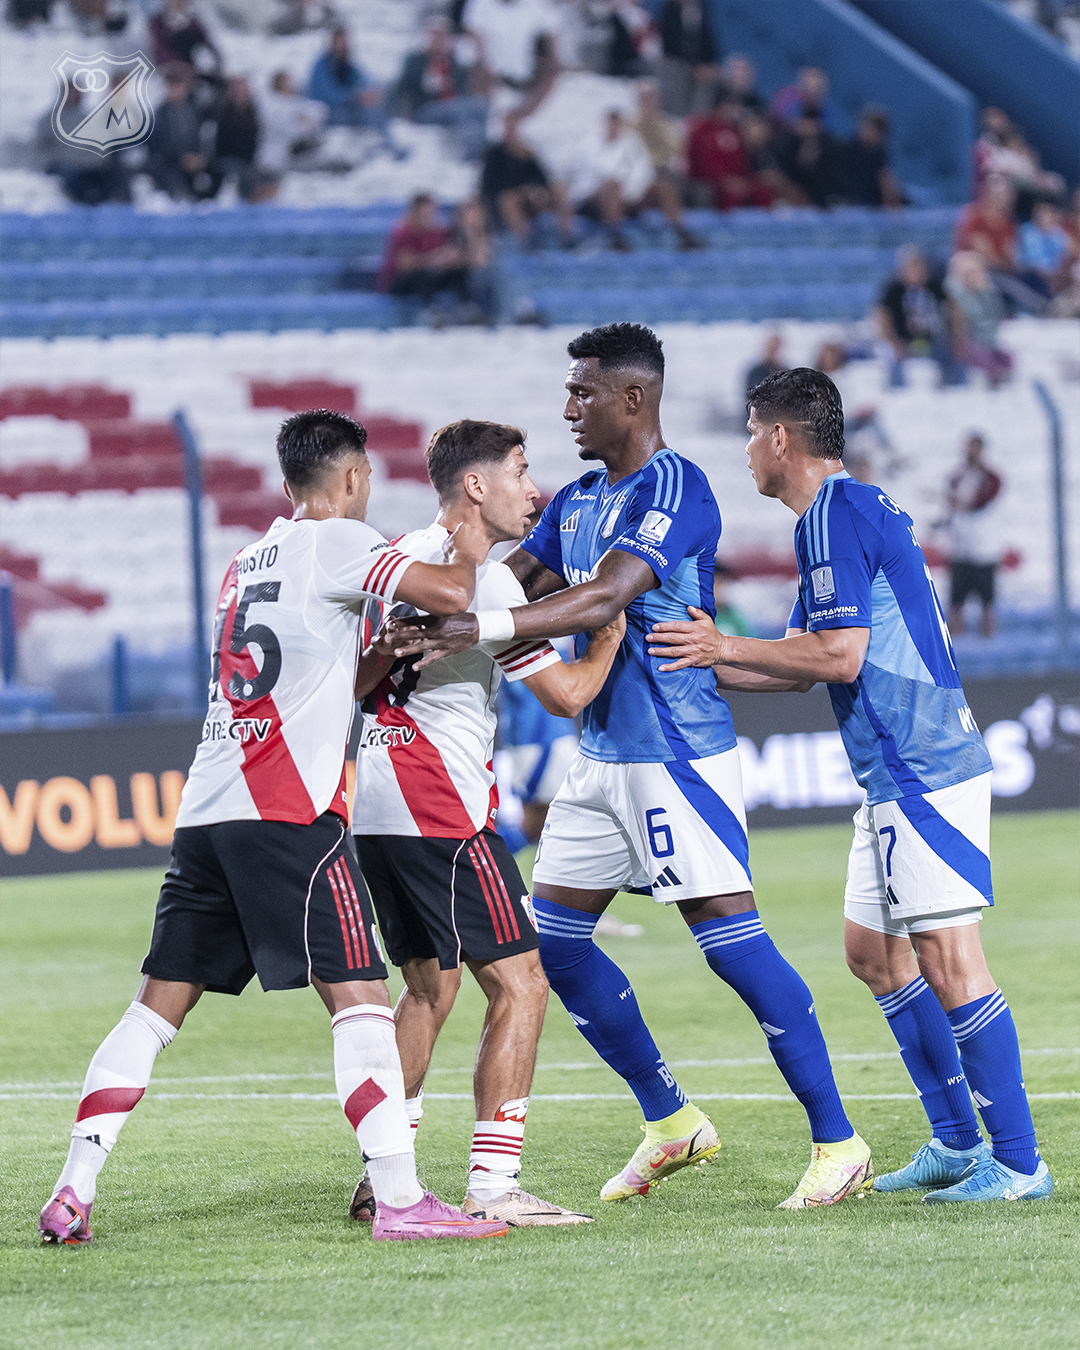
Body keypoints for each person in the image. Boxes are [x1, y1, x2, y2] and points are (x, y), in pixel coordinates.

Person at [381, 323, 872, 1210]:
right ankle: (671, 1120)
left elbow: (604, 595)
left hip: (675, 754)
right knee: (552, 949)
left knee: (733, 948)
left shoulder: (676, 487)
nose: (570, 408)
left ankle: (839, 1142)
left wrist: (477, 626)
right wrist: (426, 574)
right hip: (600, 757)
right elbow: (510, 579)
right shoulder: (576, 499)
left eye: (585, 392)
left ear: (633, 398)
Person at [38, 410, 511, 1245]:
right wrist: (468, 540)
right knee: (363, 1000)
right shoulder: (339, 540)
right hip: (288, 811)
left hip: (208, 809)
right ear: (353, 477)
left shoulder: (246, 560)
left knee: (154, 1009)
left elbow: (329, 679)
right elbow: (451, 594)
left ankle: (73, 1188)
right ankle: (400, 1200)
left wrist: (381, 653)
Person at [646, 367, 1052, 1205]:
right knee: (874, 955)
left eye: (751, 432)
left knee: (952, 962)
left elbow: (839, 657)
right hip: (891, 774)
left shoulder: (835, 515)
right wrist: (694, 665)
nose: (746, 449)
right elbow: (801, 664)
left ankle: (1018, 1164)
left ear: (781, 438)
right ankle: (955, 1142)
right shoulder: (834, 516)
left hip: (922, 766)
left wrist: (723, 646)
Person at [347, 419, 625, 1227]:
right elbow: (567, 696)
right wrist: (608, 635)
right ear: (476, 485)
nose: (532, 489)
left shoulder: (393, 560)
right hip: (441, 806)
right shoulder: (488, 582)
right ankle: (495, 1184)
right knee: (522, 983)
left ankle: (383, 1176)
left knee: (428, 987)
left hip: (377, 801)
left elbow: (357, 677)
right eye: (519, 471)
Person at [568, 108, 700, 251]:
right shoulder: (588, 146)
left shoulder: (631, 144)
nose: (615, 126)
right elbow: (582, 181)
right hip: (594, 200)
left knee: (663, 186)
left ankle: (682, 233)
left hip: (630, 197)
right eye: (612, 122)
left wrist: (632, 192)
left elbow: (644, 172)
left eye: (618, 122)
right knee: (612, 185)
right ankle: (616, 236)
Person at [391, 15, 489, 162]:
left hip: (452, 107)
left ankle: (482, 151)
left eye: (441, 36)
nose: (437, 40)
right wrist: (395, 115)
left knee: (479, 106)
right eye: (434, 35)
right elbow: (400, 87)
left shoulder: (454, 62)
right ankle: (473, 154)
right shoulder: (416, 61)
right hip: (425, 109)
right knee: (461, 108)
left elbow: (466, 89)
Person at [875, 248, 964, 389]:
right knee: (891, 357)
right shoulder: (893, 290)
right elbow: (882, 315)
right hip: (904, 342)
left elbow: (953, 310)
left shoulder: (935, 286)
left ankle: (956, 390)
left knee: (957, 356)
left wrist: (956, 338)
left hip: (934, 341)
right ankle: (896, 393)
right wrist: (892, 341)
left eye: (920, 267)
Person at [480, 109, 573, 245]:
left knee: (559, 190)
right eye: (509, 126)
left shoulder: (527, 153)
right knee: (508, 200)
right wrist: (521, 190)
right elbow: (490, 186)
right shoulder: (494, 154)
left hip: (530, 198)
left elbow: (542, 179)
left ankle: (567, 237)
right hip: (504, 201)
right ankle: (527, 242)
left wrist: (536, 190)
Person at [946, 433, 1003, 639]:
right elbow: (952, 502)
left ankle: (989, 644)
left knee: (987, 604)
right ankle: (956, 646)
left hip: (984, 548)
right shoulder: (958, 476)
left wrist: (958, 502)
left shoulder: (991, 478)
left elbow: (979, 502)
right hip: (961, 546)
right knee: (956, 603)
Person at [378, 194, 469, 317]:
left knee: (458, 273)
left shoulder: (437, 232)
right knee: (422, 275)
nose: (429, 218)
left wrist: (450, 258)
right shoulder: (403, 231)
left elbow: (448, 256)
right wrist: (434, 259)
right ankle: (430, 312)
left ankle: (466, 308)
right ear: (414, 213)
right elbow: (405, 265)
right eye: (425, 214)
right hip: (399, 283)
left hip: (428, 278)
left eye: (431, 214)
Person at [686, 95, 774, 210]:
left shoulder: (737, 130)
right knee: (728, 194)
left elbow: (745, 160)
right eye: (728, 106)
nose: (732, 110)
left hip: (738, 179)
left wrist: (742, 180)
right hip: (710, 181)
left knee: (763, 190)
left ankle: (760, 221)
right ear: (717, 107)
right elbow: (701, 163)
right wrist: (724, 181)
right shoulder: (702, 131)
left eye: (734, 107)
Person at [147, 62, 217, 201]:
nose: (176, 90)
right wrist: (182, 158)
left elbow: (207, 137)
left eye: (179, 84)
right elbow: (157, 145)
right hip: (170, 164)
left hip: (198, 161)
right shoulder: (160, 114)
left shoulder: (197, 110)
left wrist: (201, 157)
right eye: (172, 85)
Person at [944, 252, 1013, 389]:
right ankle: (994, 380)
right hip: (967, 341)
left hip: (988, 340)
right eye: (969, 273)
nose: (972, 277)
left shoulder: (989, 294)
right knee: (983, 358)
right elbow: (958, 326)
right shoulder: (955, 298)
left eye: (975, 273)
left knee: (1008, 358)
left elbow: (997, 316)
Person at [462, 0, 559, 96]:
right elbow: (475, 38)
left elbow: (551, 33)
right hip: (493, 82)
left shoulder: (538, 4)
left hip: (528, 82)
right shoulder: (480, 4)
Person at [307, 27, 387, 131]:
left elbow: (362, 79)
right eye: (340, 42)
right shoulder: (321, 65)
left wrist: (369, 93)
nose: (343, 45)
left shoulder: (347, 65)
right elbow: (327, 95)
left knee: (376, 109)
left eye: (345, 42)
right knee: (369, 115)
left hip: (345, 108)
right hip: (326, 113)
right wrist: (353, 97)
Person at [210, 75, 272, 202]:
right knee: (244, 173)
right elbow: (224, 143)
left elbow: (255, 140)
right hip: (227, 158)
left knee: (269, 175)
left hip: (247, 160)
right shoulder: (223, 112)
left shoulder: (253, 112)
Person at [257, 70, 326, 179]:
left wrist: (306, 121)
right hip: (277, 150)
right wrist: (302, 124)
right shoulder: (271, 103)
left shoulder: (295, 100)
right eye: (287, 81)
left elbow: (317, 112)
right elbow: (282, 126)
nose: (291, 84)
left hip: (297, 145)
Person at [657, 0, 722, 115]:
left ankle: (697, 119)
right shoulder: (670, 10)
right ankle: (676, 117)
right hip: (676, 61)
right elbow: (668, 42)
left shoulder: (703, 9)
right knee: (676, 72)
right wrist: (688, 64)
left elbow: (708, 41)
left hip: (698, 65)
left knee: (709, 77)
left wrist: (707, 64)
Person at [832, 107, 904, 209]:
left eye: (869, 128)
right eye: (863, 126)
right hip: (849, 201)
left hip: (870, 202)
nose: (863, 130)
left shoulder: (879, 153)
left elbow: (885, 183)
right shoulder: (846, 149)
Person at [1017, 200, 1073, 299]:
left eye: (1045, 212)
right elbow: (1027, 260)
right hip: (1031, 273)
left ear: (1053, 215)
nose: (1041, 215)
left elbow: (1065, 256)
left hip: (1056, 276)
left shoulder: (1059, 234)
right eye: (1039, 211)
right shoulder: (1026, 231)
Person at [149, 0, 221, 74]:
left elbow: (205, 41)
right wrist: (178, 64)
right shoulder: (158, 21)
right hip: (171, 67)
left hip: (194, 65)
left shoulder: (193, 21)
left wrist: (215, 60)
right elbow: (160, 48)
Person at [745, 332, 786, 399]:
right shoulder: (756, 373)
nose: (775, 352)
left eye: (777, 348)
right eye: (772, 348)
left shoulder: (786, 372)